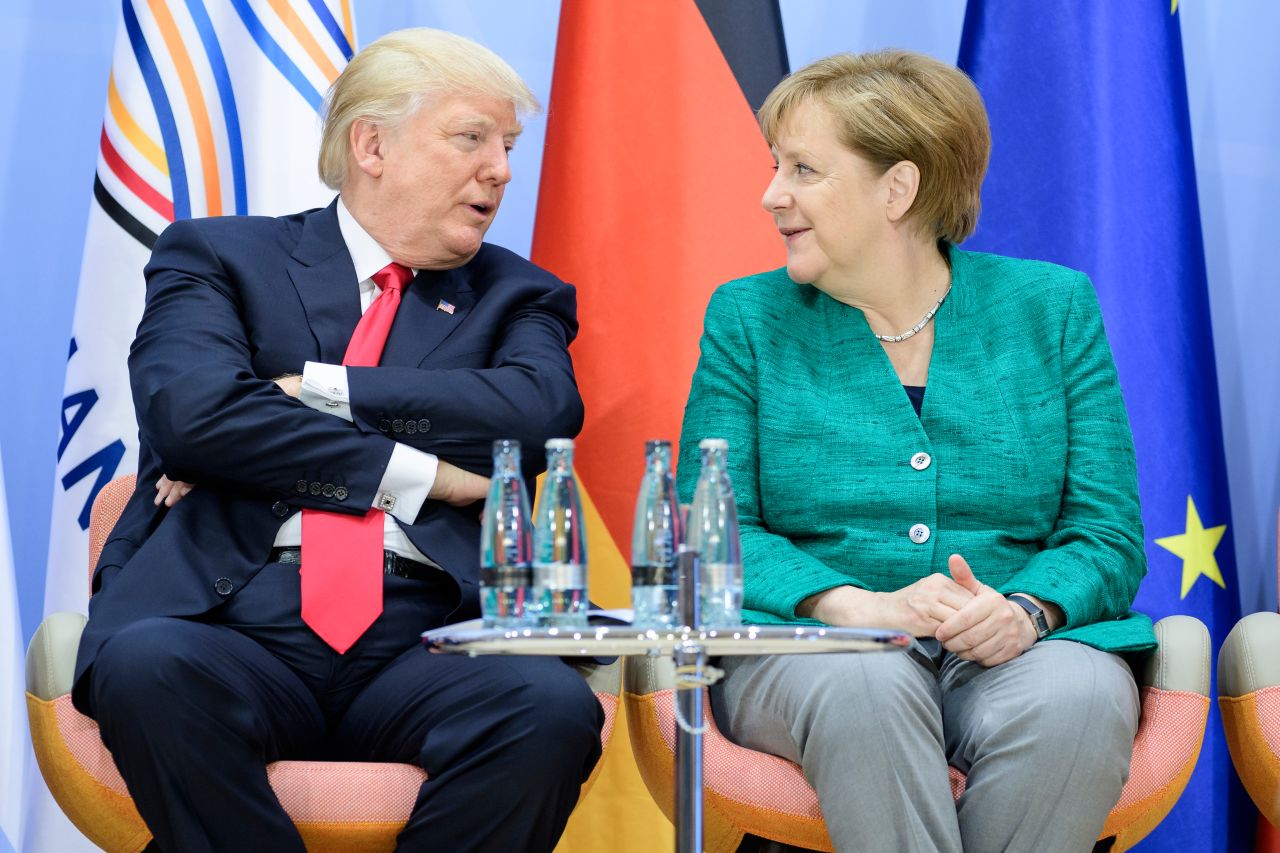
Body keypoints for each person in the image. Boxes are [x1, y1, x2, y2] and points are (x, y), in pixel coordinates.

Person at [72, 29, 602, 853]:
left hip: (432, 633)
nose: (500, 168)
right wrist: (427, 476)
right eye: (472, 137)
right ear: (373, 143)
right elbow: (196, 418)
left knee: (550, 709)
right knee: (149, 669)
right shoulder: (219, 255)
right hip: (231, 617)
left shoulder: (517, 293)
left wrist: (324, 389)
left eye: (507, 146)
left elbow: (537, 414)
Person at [678, 49, 1154, 853]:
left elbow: (1105, 531)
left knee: (1078, 697)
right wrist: (854, 606)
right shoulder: (748, 318)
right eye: (775, 166)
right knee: (866, 683)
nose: (772, 195)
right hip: (817, 654)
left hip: (1013, 646)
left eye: (803, 169)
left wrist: (1026, 611)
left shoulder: (1052, 308)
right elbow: (707, 527)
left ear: (897, 189)